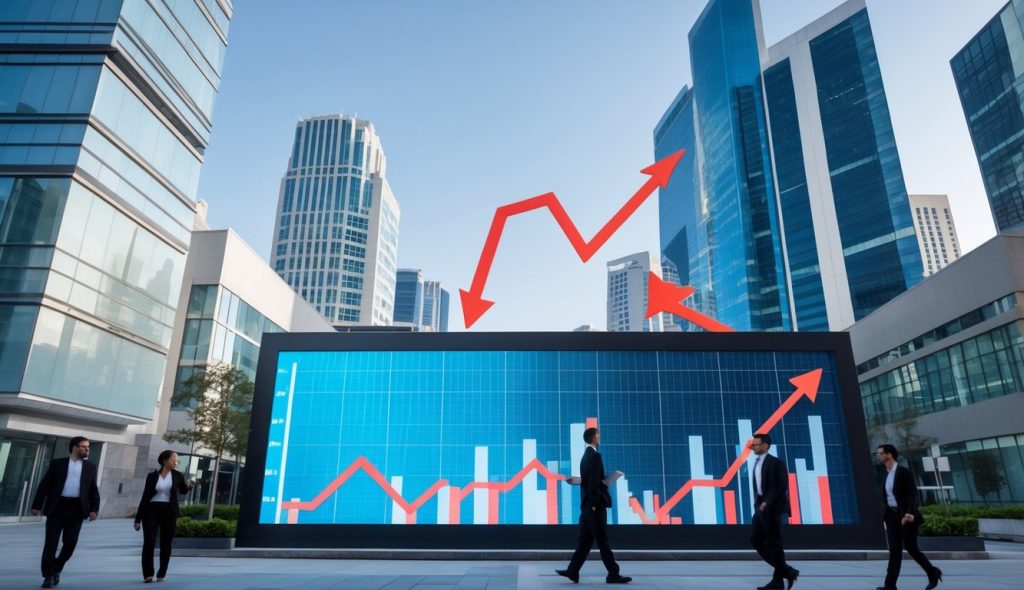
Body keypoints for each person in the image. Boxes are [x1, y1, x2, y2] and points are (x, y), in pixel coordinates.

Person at [556, 427, 631, 584]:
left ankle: (572, 571)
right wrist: (596, 503)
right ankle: (613, 574)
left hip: (587, 506)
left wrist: (585, 482)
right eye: (598, 435)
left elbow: (589, 480)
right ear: (593, 438)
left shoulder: (585, 456)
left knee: (585, 541)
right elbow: (593, 484)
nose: (600, 438)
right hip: (594, 507)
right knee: (602, 540)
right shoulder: (596, 456)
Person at [31, 436, 100, 589]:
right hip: (57, 508)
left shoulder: (90, 467)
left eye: (88, 447)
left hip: (76, 510)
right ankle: (48, 576)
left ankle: (56, 567)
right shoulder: (58, 464)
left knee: (71, 542)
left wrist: (94, 509)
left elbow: (93, 490)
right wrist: (36, 505)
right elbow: (44, 485)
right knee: (51, 543)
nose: (87, 449)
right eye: (84, 446)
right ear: (75, 447)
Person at [875, 444, 942, 590]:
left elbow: (913, 494)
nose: (877, 456)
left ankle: (932, 572)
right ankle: (890, 585)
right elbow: (886, 497)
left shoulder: (904, 472)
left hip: (906, 516)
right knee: (894, 550)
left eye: (879, 453)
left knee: (911, 548)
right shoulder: (885, 474)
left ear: (889, 455)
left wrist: (910, 513)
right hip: (891, 517)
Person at [135, 450, 195, 582]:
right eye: (174, 459)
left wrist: (190, 485)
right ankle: (148, 574)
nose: (176, 462)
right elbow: (145, 497)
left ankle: (162, 572)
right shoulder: (152, 476)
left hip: (169, 511)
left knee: (166, 543)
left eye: (177, 460)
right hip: (151, 510)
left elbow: (183, 490)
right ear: (164, 460)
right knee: (149, 542)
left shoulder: (178, 475)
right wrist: (138, 518)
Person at [749, 433, 799, 590]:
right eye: (752, 445)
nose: (753, 447)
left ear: (766, 445)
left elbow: (780, 486)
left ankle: (778, 580)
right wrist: (759, 504)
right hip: (760, 507)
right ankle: (786, 570)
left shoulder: (776, 463)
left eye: (755, 445)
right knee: (755, 540)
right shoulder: (756, 463)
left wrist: (767, 502)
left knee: (774, 543)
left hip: (771, 508)